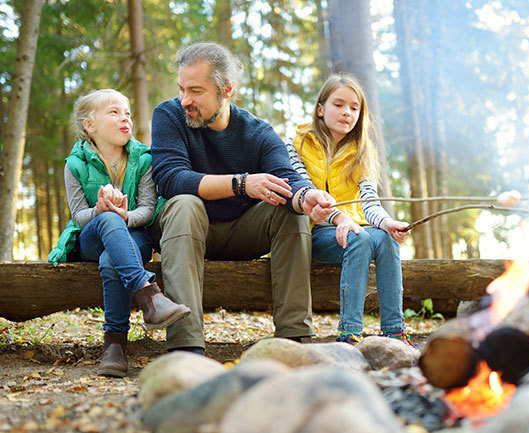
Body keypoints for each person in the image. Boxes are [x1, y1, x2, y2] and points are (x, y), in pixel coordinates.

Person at [150, 42, 335, 355]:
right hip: (185, 229)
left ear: (227, 90)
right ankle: (186, 346)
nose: (185, 100)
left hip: (243, 232)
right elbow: (171, 179)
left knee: (292, 211)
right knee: (184, 202)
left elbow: (288, 178)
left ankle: (295, 340)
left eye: (195, 91)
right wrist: (241, 184)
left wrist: (308, 197)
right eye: (182, 89)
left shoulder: (258, 131)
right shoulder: (168, 115)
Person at [48, 89, 191, 377]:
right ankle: (149, 295)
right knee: (108, 220)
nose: (124, 117)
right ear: (90, 125)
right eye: (114, 112)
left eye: (127, 112)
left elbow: (148, 209)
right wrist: (102, 212)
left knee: (111, 260)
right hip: (91, 238)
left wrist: (125, 215)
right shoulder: (74, 165)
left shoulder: (144, 160)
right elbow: (78, 215)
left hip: (134, 235)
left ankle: (115, 346)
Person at [287, 73, 416, 348]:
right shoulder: (296, 143)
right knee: (360, 237)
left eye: (354, 108)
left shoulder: (361, 151)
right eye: (338, 104)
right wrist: (341, 219)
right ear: (320, 109)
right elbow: (309, 195)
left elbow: (369, 201)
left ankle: (394, 330)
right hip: (306, 232)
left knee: (384, 237)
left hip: (349, 230)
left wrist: (387, 224)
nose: (347, 112)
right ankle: (350, 334)